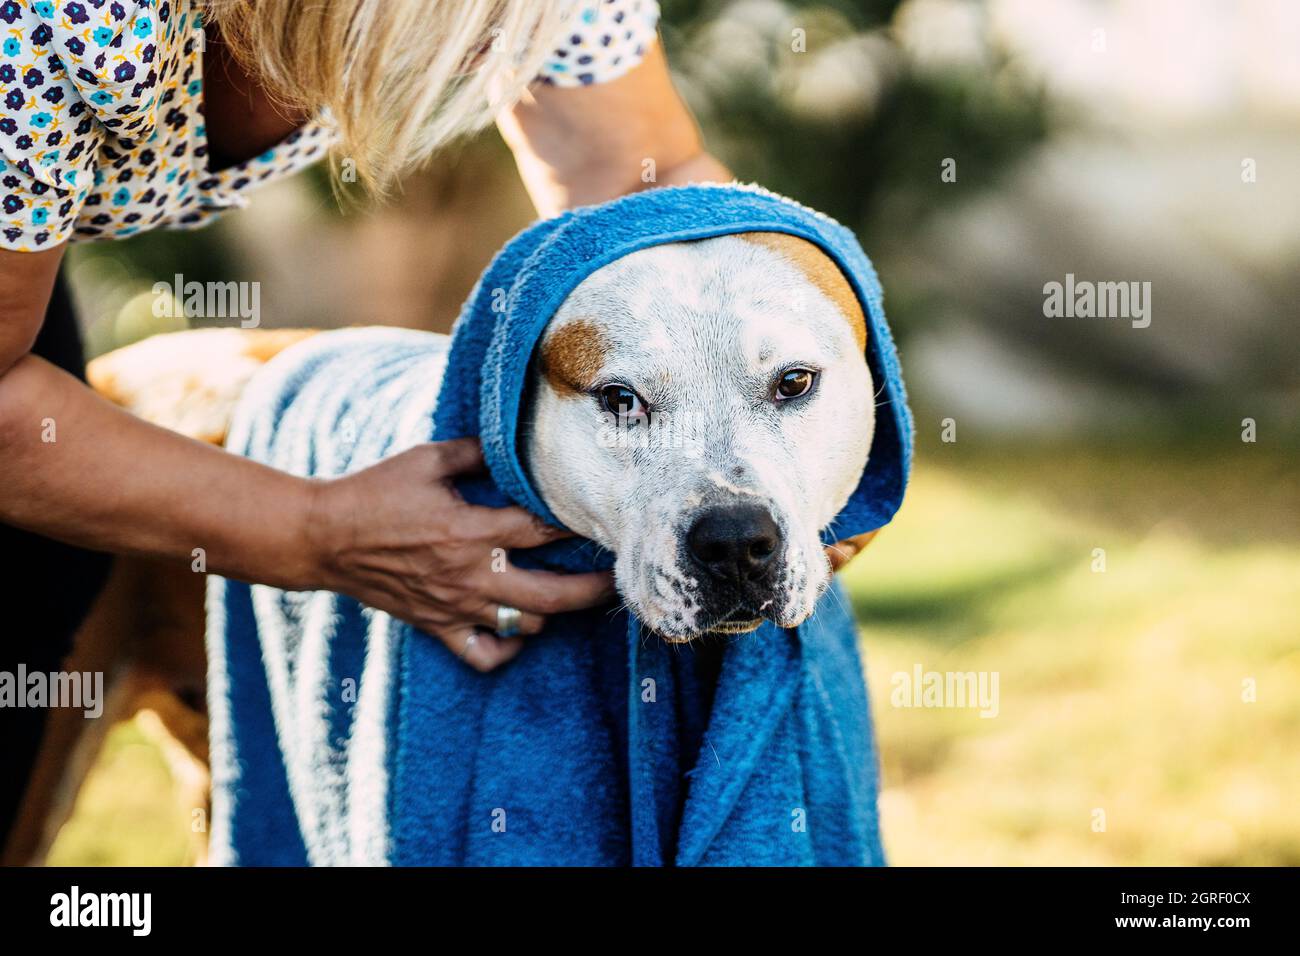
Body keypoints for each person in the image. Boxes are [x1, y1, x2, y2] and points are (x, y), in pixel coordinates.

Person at [0, 0, 734, 847]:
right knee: (30, 575)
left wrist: (749, 415)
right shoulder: (61, 20)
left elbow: (641, 183)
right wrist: (317, 532)